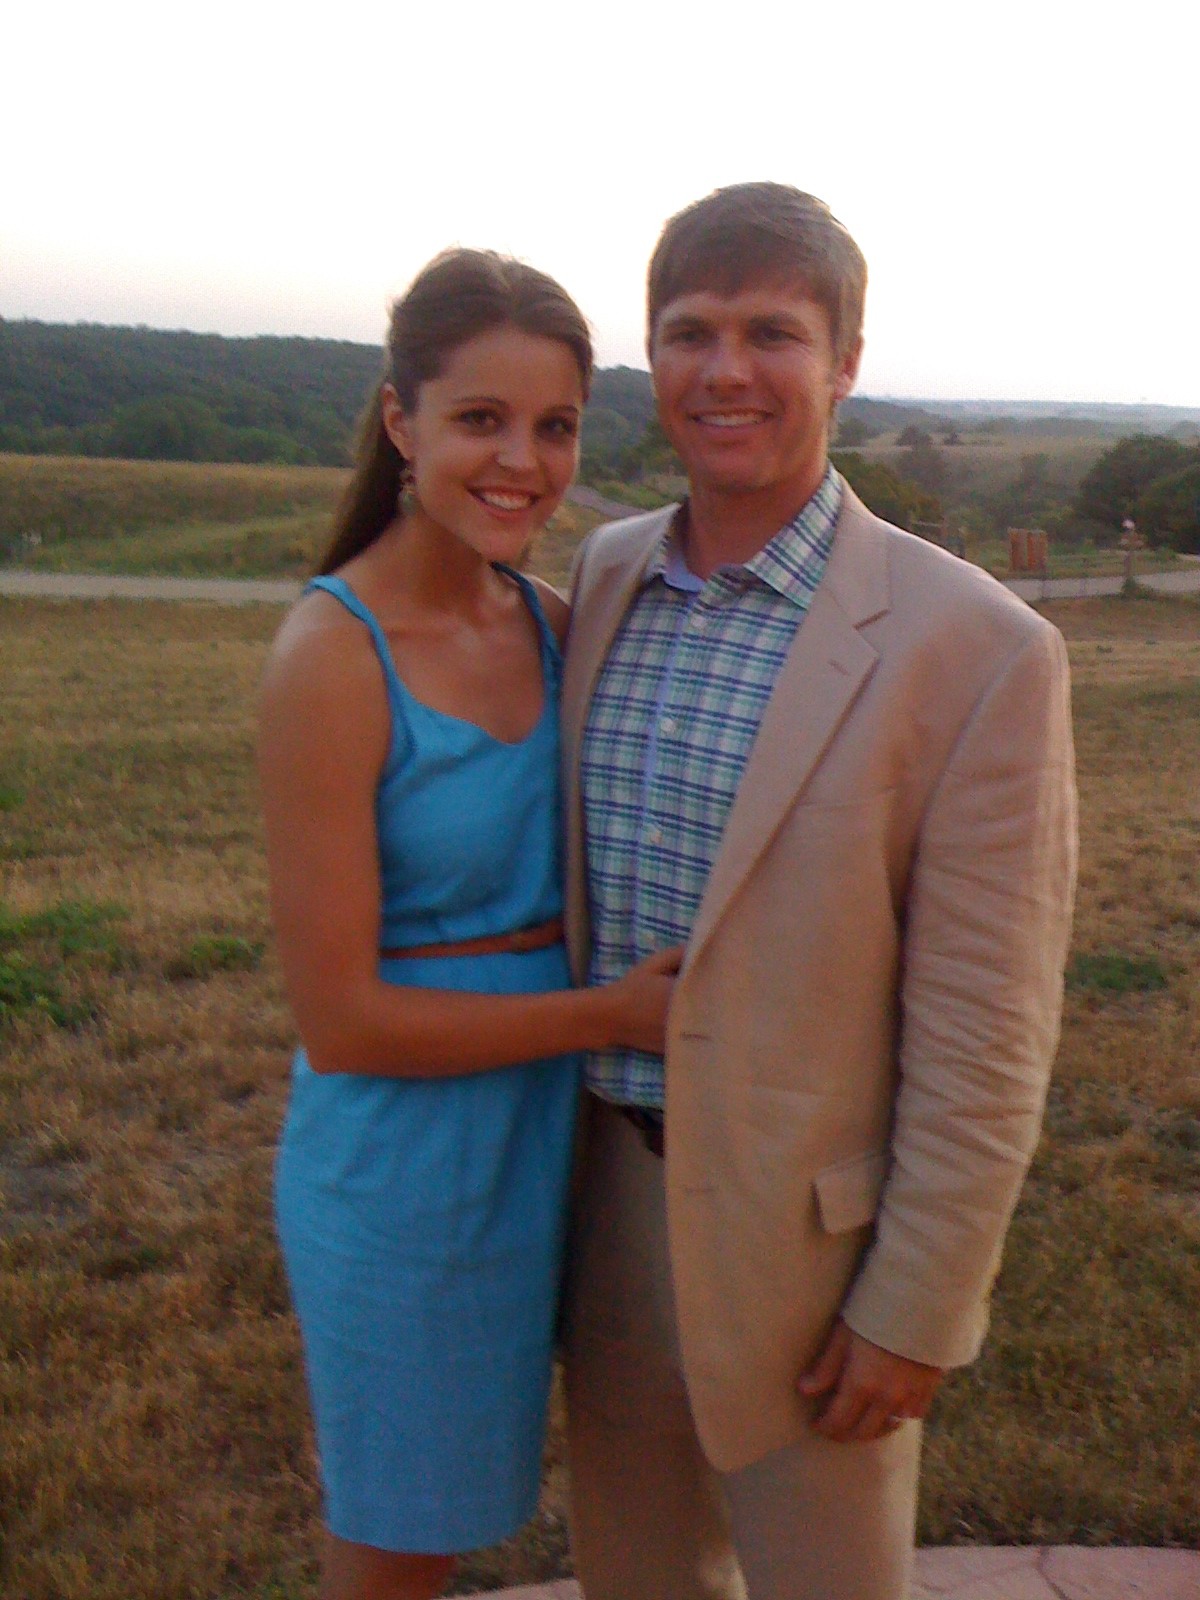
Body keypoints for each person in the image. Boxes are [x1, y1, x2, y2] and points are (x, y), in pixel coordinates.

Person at [560, 184, 1078, 1600]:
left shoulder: (974, 647)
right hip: (603, 1211)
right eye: (690, 332)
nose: (727, 370)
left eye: (773, 333)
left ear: (845, 360)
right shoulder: (605, 578)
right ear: (651, 357)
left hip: (815, 1257)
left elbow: (989, 1028)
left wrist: (918, 1305)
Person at [259, 249, 680, 1600]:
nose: (524, 461)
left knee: (517, 1505)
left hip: (556, 1145)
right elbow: (343, 1019)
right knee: (400, 1545)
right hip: (406, 1166)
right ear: (401, 424)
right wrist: (607, 1015)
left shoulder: (559, 625)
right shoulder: (333, 655)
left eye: (555, 426)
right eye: (481, 420)